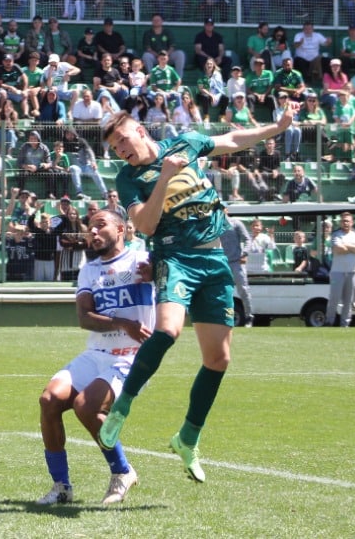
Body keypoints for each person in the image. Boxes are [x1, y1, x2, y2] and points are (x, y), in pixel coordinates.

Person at [97, 101, 296, 482]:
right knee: (168, 330)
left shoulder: (186, 143)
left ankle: (188, 438)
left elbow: (233, 139)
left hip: (214, 259)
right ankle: (122, 408)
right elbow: (146, 225)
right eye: (116, 148)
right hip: (174, 256)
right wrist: (164, 178)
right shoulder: (128, 178)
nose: (122, 150)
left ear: (141, 130)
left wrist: (277, 127)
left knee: (219, 359)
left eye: (124, 140)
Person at [36, 210, 152, 506]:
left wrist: (159, 274)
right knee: (49, 400)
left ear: (122, 229)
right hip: (95, 353)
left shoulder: (142, 259)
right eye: (91, 228)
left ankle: (122, 472)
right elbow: (84, 317)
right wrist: (122, 323)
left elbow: (175, 278)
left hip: (130, 356)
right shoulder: (90, 269)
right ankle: (61, 487)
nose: (94, 232)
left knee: (85, 406)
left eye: (101, 225)